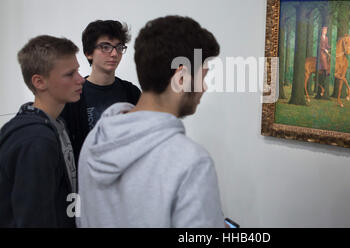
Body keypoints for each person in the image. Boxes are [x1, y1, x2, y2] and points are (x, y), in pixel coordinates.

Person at [77, 15, 225, 227]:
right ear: (181, 78)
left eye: (118, 47)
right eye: (203, 76)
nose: (204, 87)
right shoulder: (191, 161)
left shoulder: (95, 141)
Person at [0, 35, 85, 227]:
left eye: (78, 71)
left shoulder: (56, 126)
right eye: (70, 74)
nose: (81, 79)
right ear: (39, 82)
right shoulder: (36, 141)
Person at [60, 20, 141, 164]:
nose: (114, 53)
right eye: (106, 47)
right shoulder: (74, 95)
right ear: (89, 53)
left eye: (119, 47)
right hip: (87, 180)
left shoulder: (132, 93)